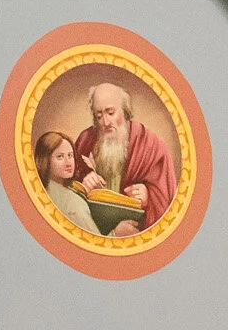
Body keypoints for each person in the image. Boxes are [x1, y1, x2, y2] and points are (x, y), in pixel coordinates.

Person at [74, 82, 178, 229]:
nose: (105, 122)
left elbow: (166, 198)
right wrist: (85, 181)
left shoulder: (151, 144)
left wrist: (148, 196)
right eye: (98, 115)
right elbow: (65, 185)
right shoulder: (85, 140)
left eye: (110, 113)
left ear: (125, 111)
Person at [34, 130, 100, 235]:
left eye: (70, 155)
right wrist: (116, 233)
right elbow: (94, 242)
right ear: (45, 160)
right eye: (60, 157)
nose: (68, 162)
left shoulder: (36, 189)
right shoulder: (74, 203)